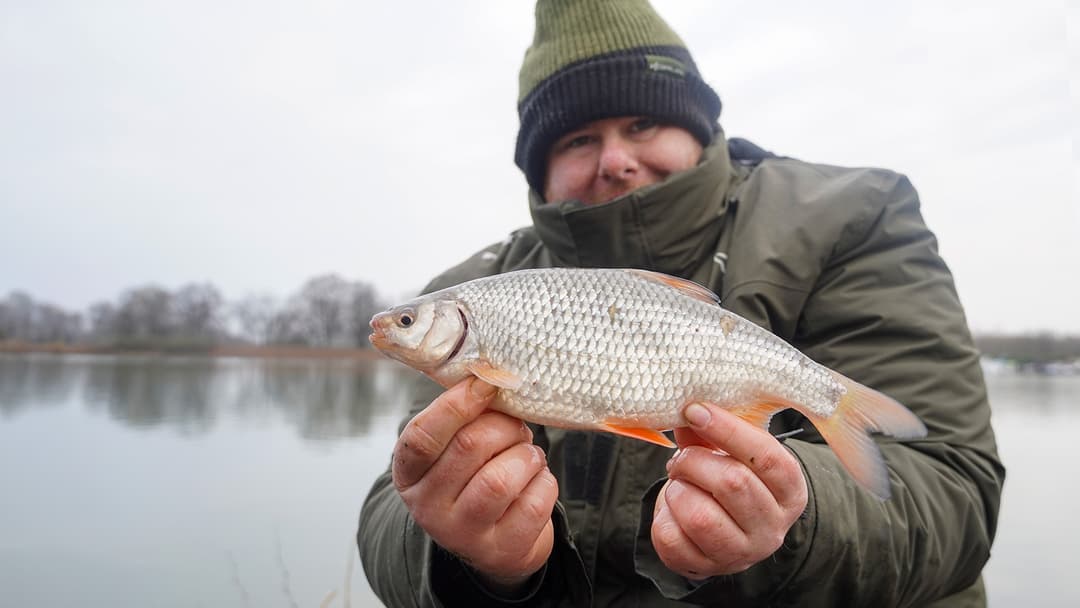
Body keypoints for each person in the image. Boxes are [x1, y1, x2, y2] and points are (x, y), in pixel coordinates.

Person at [358, 0, 1004, 605]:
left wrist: (794, 516)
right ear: (539, 167)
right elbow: (391, 506)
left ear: (695, 128)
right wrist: (460, 555)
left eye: (642, 123)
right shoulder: (484, 283)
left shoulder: (852, 218)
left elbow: (957, 497)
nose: (616, 160)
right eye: (578, 139)